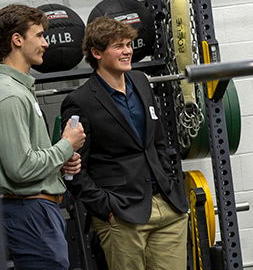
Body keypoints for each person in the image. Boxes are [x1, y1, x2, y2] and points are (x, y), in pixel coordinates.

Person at [59, 17, 188, 270]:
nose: (127, 51)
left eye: (128, 44)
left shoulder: (140, 81)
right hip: (122, 215)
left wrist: (169, 178)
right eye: (118, 46)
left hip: (167, 206)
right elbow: (73, 169)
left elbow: (157, 140)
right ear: (97, 53)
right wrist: (106, 208)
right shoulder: (80, 101)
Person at [0, 4, 85, 270]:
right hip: (30, 212)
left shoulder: (19, 89)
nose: (46, 43)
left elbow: (26, 157)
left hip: (36, 211)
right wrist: (66, 146)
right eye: (39, 35)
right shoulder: (9, 96)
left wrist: (60, 163)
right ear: (17, 40)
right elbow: (20, 168)